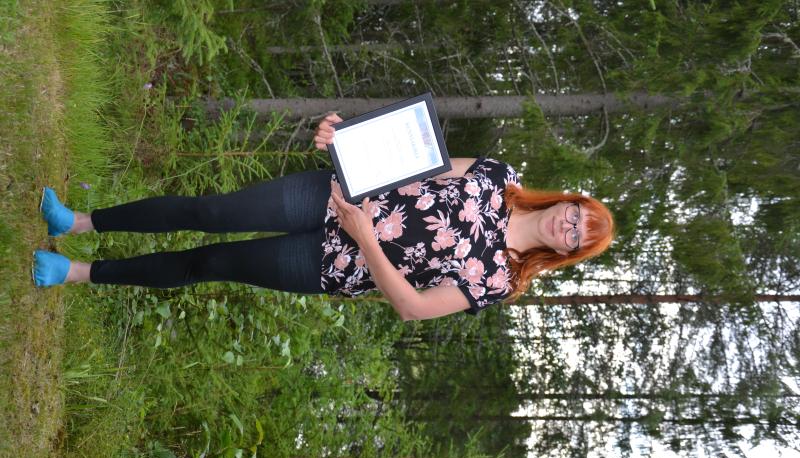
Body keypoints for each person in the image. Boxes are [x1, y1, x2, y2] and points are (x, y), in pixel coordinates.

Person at [33, 114, 615, 320]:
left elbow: (413, 308)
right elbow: (419, 163)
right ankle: (77, 222)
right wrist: (344, 140)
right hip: (331, 195)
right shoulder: (497, 175)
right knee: (209, 210)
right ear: (568, 201)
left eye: (578, 237)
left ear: (568, 253)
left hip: (330, 264)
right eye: (577, 214)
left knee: (209, 263)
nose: (569, 226)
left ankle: (77, 273)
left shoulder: (501, 279)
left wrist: (367, 241)